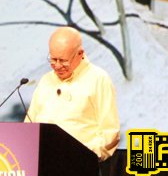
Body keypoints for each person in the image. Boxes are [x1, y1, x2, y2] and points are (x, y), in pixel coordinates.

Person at [24, 26, 120, 161]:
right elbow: (29, 124)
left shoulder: (98, 79)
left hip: (80, 165)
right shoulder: (46, 80)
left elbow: (110, 133)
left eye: (63, 60)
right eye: (53, 59)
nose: (57, 66)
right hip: (41, 164)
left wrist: (84, 155)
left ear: (80, 54)